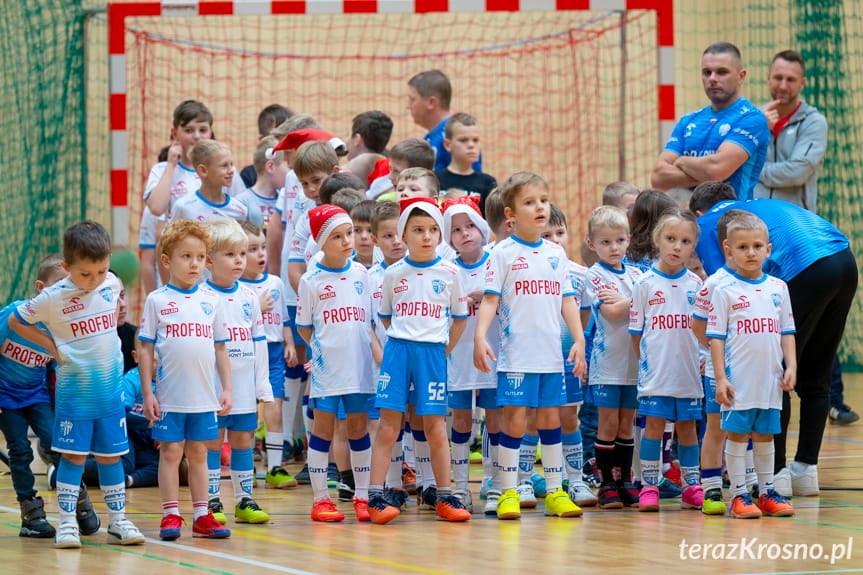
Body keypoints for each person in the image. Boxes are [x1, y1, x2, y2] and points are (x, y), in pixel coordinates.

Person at [690, 181, 858, 497]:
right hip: (844, 260)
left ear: (697, 212)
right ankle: (805, 470)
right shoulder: (755, 206)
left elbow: (726, 284)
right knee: (816, 375)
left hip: (804, 268)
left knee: (774, 372)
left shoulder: (710, 222)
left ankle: (776, 475)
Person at [9, 222, 145, 548]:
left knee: (112, 458)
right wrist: (51, 347)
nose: (94, 280)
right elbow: (16, 320)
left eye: (101, 270)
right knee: (72, 459)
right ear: (67, 268)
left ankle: (118, 520)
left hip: (110, 397)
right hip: (74, 397)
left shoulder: (111, 283)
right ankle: (67, 522)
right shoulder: (52, 298)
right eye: (85, 274)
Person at [473, 172, 587, 521]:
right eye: (529, 202)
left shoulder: (556, 253)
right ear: (510, 215)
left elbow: (568, 301)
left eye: (543, 200)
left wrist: (579, 338)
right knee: (515, 423)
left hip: (552, 358)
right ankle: (507, 491)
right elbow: (490, 301)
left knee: (552, 422)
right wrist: (479, 336)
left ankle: (555, 493)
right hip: (517, 359)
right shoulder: (502, 254)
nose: (540, 207)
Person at [367, 197, 471, 524]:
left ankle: (443, 495)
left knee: (436, 427)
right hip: (398, 351)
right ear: (403, 235)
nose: (426, 236)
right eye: (417, 230)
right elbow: (385, 317)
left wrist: (443, 351)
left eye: (431, 230)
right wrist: (405, 337)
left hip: (432, 354)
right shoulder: (393, 274)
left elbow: (460, 319)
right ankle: (374, 496)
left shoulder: (451, 273)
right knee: (388, 426)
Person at [138, 219, 233, 541]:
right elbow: (146, 350)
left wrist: (228, 389)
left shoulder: (211, 301)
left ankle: (202, 515)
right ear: (167, 260)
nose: (195, 264)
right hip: (170, 397)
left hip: (204, 397)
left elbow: (221, 348)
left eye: (200, 257)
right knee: (169, 453)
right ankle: (170, 514)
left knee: (199, 454)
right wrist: (148, 393)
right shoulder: (157, 300)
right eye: (186, 256)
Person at [705, 211, 797, 519]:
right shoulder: (724, 290)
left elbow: (787, 331)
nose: (751, 252)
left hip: (769, 381)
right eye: (742, 247)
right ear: (728, 250)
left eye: (757, 246)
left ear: (768, 249)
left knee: (765, 436)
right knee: (737, 436)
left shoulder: (778, 288)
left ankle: (767, 490)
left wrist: (791, 366)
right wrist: (720, 379)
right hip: (738, 381)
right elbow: (715, 338)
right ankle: (739, 495)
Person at [0, 255, 99, 539]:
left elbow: (64, 370)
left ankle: (77, 500)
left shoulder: (63, 326)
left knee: (60, 445)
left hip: (37, 396)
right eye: (59, 285)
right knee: (20, 452)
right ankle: (31, 514)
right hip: (7, 397)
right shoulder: (13, 315)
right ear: (41, 287)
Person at [296, 204, 378, 522]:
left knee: (358, 430)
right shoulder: (311, 280)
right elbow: (304, 326)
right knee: (324, 431)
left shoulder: (362, 274)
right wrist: (320, 350)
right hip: (327, 369)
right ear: (321, 242)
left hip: (359, 369)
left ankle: (361, 495)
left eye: (350, 234)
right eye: (338, 236)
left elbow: (367, 324)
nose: (347, 241)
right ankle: (320, 499)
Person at [628, 209, 704, 513]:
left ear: (693, 245)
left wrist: (700, 360)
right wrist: (647, 364)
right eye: (671, 239)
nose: (676, 246)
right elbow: (636, 334)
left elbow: (703, 333)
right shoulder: (644, 284)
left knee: (687, 429)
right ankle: (649, 486)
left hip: (688, 375)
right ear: (657, 240)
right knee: (654, 428)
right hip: (656, 374)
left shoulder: (697, 286)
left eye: (685, 241)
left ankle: (691, 486)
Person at [202, 218, 273, 526]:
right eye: (230, 255)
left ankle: (244, 500)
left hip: (244, 386)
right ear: (208, 260)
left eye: (242, 254)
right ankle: (212, 500)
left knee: (243, 440)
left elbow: (259, 343)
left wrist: (262, 384)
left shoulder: (249, 298)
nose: (239, 261)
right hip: (214, 387)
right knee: (213, 443)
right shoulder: (202, 297)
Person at [651, 42, 769, 201]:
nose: (712, 79)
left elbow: (716, 170)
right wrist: (705, 173)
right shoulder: (688, 121)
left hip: (731, 220)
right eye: (707, 72)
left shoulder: (751, 118)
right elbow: (658, 177)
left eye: (722, 72)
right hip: (690, 222)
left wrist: (682, 161)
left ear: (741, 76)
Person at [582, 205, 642, 509]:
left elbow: (634, 307)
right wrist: (634, 301)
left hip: (634, 363)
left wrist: (628, 301)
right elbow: (612, 311)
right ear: (592, 244)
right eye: (605, 242)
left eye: (619, 240)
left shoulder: (635, 275)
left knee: (625, 425)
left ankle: (624, 480)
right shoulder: (594, 275)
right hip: (607, 364)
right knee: (607, 424)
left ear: (629, 239)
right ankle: (605, 481)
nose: (613, 247)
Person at [441, 195, 498, 514]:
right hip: (459, 356)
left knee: (496, 419)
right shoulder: (447, 271)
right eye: (456, 230)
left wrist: (490, 299)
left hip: (493, 351)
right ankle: (461, 487)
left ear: (482, 227)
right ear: (449, 238)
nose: (465, 234)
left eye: (470, 226)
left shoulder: (496, 262)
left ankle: (493, 482)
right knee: (461, 421)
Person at [540, 204, 597, 508]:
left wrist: (576, 347)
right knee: (532, 421)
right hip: (535, 358)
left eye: (559, 232)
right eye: (546, 234)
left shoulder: (580, 275)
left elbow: (584, 318)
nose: (555, 239)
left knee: (568, 419)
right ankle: (527, 482)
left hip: (566, 359)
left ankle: (575, 481)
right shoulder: (529, 269)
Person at [238, 221, 299, 488]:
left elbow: (284, 319)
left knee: (275, 408)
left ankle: (275, 467)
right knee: (248, 410)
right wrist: (255, 307)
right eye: (252, 249)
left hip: (273, 351)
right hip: (246, 352)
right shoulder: (235, 289)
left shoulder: (275, 282)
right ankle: (246, 464)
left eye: (263, 247)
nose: (261, 254)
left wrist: (289, 344)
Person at [367, 201, 409, 505]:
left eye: (399, 234)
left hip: (417, 359)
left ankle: (426, 483)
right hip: (383, 362)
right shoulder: (368, 278)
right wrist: (382, 355)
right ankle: (391, 485)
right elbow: (367, 324)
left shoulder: (422, 272)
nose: (396, 242)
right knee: (389, 423)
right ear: (374, 239)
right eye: (387, 236)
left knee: (420, 421)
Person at [754, 50, 827, 211]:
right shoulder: (755, 118)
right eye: (778, 78)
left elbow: (796, 172)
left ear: (802, 83)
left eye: (791, 80)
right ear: (768, 78)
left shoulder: (813, 121)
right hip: (754, 221)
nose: (783, 86)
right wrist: (760, 129)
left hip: (796, 223)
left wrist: (754, 169)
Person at [146, 100, 244, 218]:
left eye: (203, 130)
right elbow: (156, 209)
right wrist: (171, 165)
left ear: (211, 133)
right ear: (175, 133)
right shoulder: (162, 169)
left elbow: (240, 209)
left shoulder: (226, 169)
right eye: (189, 130)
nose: (197, 136)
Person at [407, 70, 481, 172]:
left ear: (431, 102)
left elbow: (471, 182)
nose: (408, 106)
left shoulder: (455, 137)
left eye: (412, 99)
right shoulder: (430, 138)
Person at [170, 140, 249, 224]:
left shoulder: (240, 210)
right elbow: (171, 236)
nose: (231, 170)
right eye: (224, 166)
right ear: (203, 170)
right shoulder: (183, 207)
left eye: (231, 164)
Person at [434, 113, 497, 212]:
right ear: (447, 145)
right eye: (463, 140)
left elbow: (491, 224)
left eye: (475, 140)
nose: (471, 145)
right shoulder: (434, 180)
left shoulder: (487, 182)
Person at [236, 136, 288, 232]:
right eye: (288, 166)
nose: (292, 173)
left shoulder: (286, 200)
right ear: (271, 167)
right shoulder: (241, 203)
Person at [240, 103, 292, 187]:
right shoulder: (249, 175)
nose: (282, 144)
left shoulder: (299, 173)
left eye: (287, 138)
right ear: (262, 140)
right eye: (276, 137)